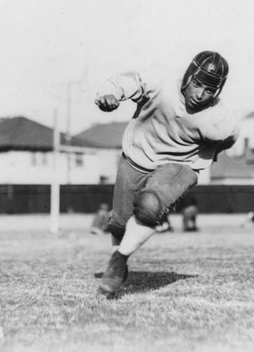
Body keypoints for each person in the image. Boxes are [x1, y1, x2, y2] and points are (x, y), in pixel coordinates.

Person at [94, 51, 239, 296]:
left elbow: (228, 139)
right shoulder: (160, 82)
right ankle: (118, 257)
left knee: (150, 206)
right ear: (188, 76)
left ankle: (118, 261)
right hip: (137, 155)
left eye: (209, 91)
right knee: (119, 224)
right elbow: (126, 81)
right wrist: (109, 96)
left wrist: (203, 157)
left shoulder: (220, 119)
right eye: (198, 85)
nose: (200, 95)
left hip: (179, 164)